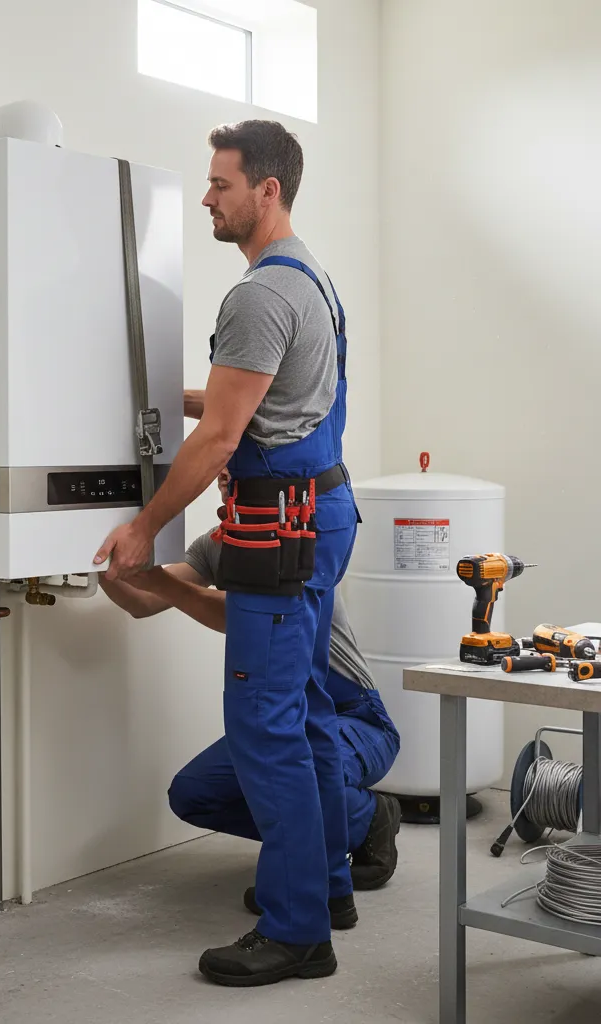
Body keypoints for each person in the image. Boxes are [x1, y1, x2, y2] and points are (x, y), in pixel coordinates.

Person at [94, 120, 360, 986]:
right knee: (308, 708)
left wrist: (142, 527)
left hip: (279, 533)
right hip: (323, 513)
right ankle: (328, 887)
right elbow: (257, 390)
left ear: (266, 191)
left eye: (220, 183)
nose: (208, 196)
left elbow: (217, 441)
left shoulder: (256, 295)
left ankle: (297, 933)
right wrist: (160, 391)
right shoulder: (307, 278)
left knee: (264, 727)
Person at [98, 483, 401, 902]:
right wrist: (98, 562)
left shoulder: (298, 539)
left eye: (234, 466)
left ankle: (357, 825)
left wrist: (158, 580)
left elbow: (241, 617)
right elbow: (142, 602)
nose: (228, 477)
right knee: (196, 793)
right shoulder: (215, 545)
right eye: (222, 471)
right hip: (280, 708)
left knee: (300, 775)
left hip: (349, 714)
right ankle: (341, 829)